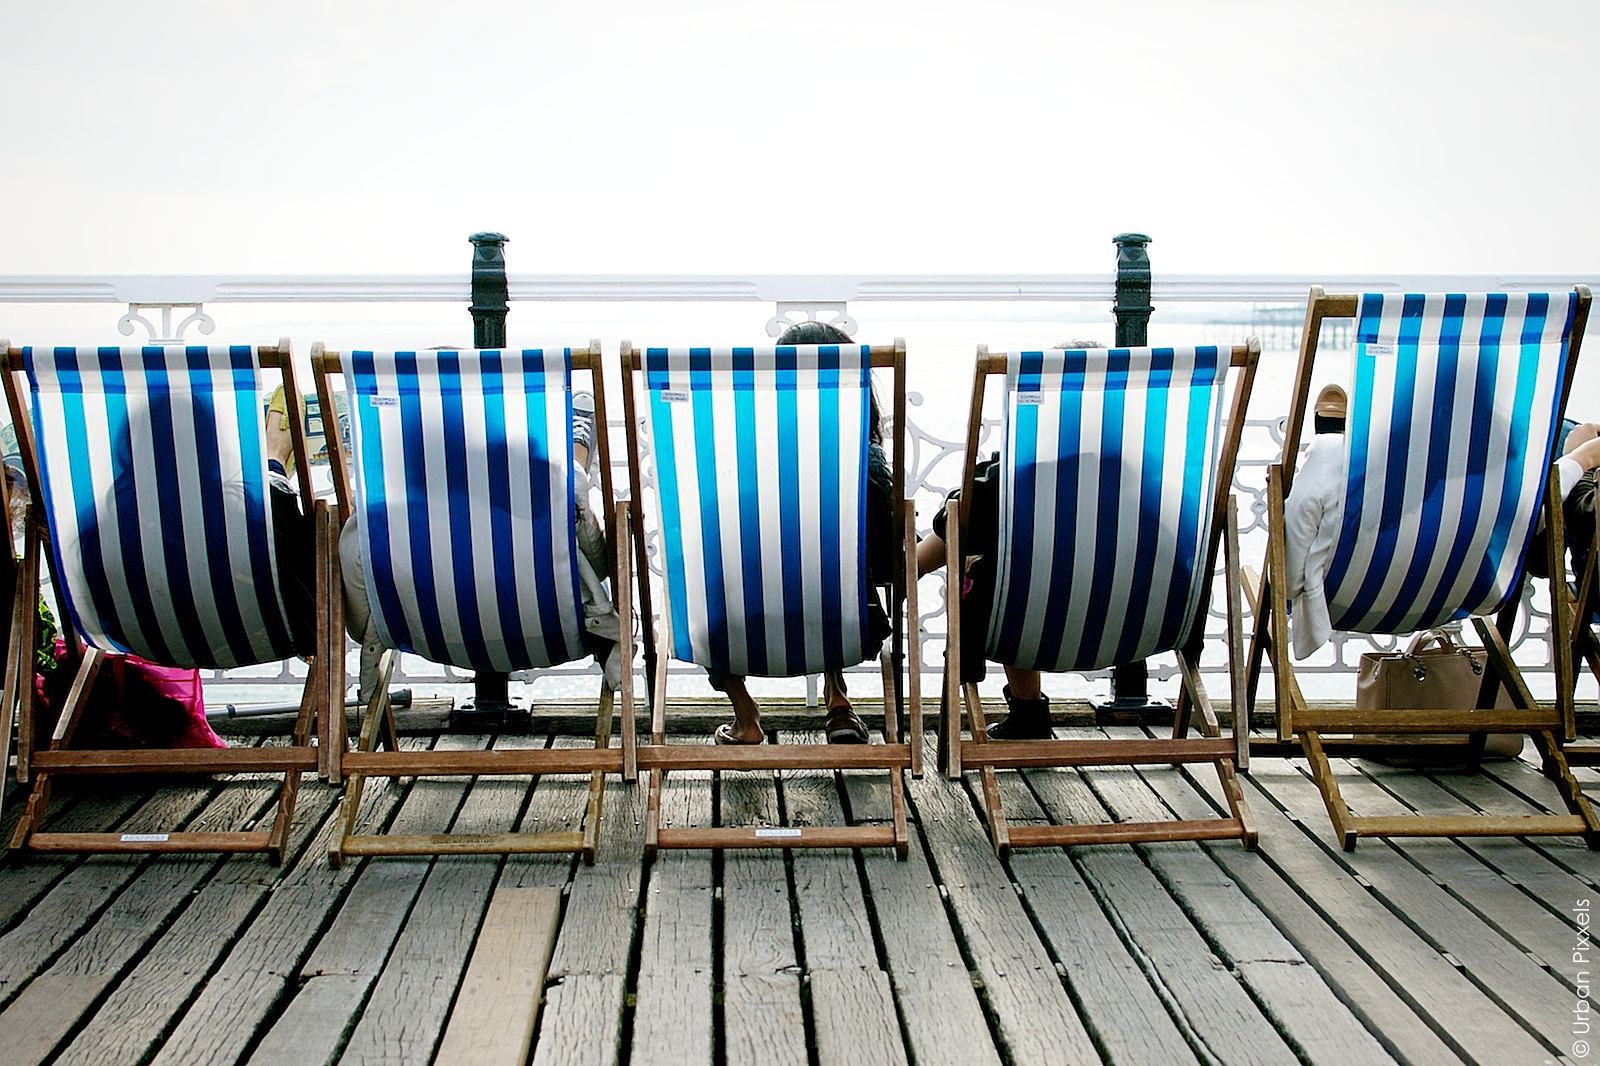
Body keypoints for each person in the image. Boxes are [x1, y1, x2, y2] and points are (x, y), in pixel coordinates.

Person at [709, 320, 893, 746]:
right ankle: (839, 702)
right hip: (847, 626)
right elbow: (886, 566)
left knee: (714, 583)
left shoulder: (734, 460)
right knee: (832, 576)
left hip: (736, 628)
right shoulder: (867, 464)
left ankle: (745, 715)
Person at [911, 340, 1105, 741]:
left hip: (1028, 623)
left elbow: (944, 535)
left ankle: (1029, 709)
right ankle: (1029, 715)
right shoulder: (1149, 481)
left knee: (997, 571)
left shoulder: (1013, 477)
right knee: (1024, 566)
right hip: (1130, 626)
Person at [1281, 383, 1348, 659]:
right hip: (1418, 591)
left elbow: (1298, 532)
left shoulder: (1321, 462)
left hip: (1336, 591)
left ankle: (1329, 445)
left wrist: (1285, 585)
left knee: (1306, 508)